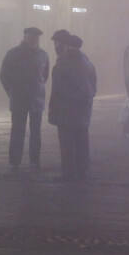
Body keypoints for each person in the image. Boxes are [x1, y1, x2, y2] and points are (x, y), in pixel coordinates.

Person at [0, 27, 49, 172]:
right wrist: (12, 91)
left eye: (36, 38)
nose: (34, 40)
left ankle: (35, 160)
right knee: (18, 130)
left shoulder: (43, 55)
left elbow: (44, 76)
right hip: (20, 97)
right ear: (25, 38)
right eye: (32, 38)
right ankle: (15, 161)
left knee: (36, 131)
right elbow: (4, 75)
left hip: (36, 98)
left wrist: (37, 88)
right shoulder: (13, 54)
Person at [49, 32, 97, 182]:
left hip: (67, 110)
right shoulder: (87, 62)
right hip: (84, 109)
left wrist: (55, 108)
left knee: (67, 144)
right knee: (82, 141)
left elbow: (58, 89)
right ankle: (83, 170)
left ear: (66, 46)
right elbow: (94, 85)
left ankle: (68, 173)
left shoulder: (63, 63)